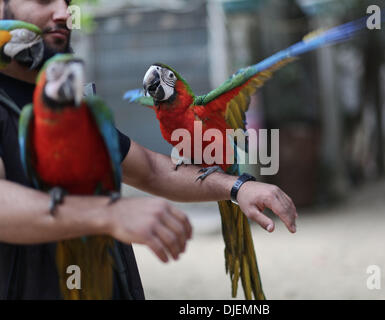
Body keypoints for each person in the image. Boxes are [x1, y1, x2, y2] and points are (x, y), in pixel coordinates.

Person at [0, 0, 298, 299]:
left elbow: (152, 171)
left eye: (68, 2)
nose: (65, 13)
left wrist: (237, 186)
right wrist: (108, 214)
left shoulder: (78, 108)